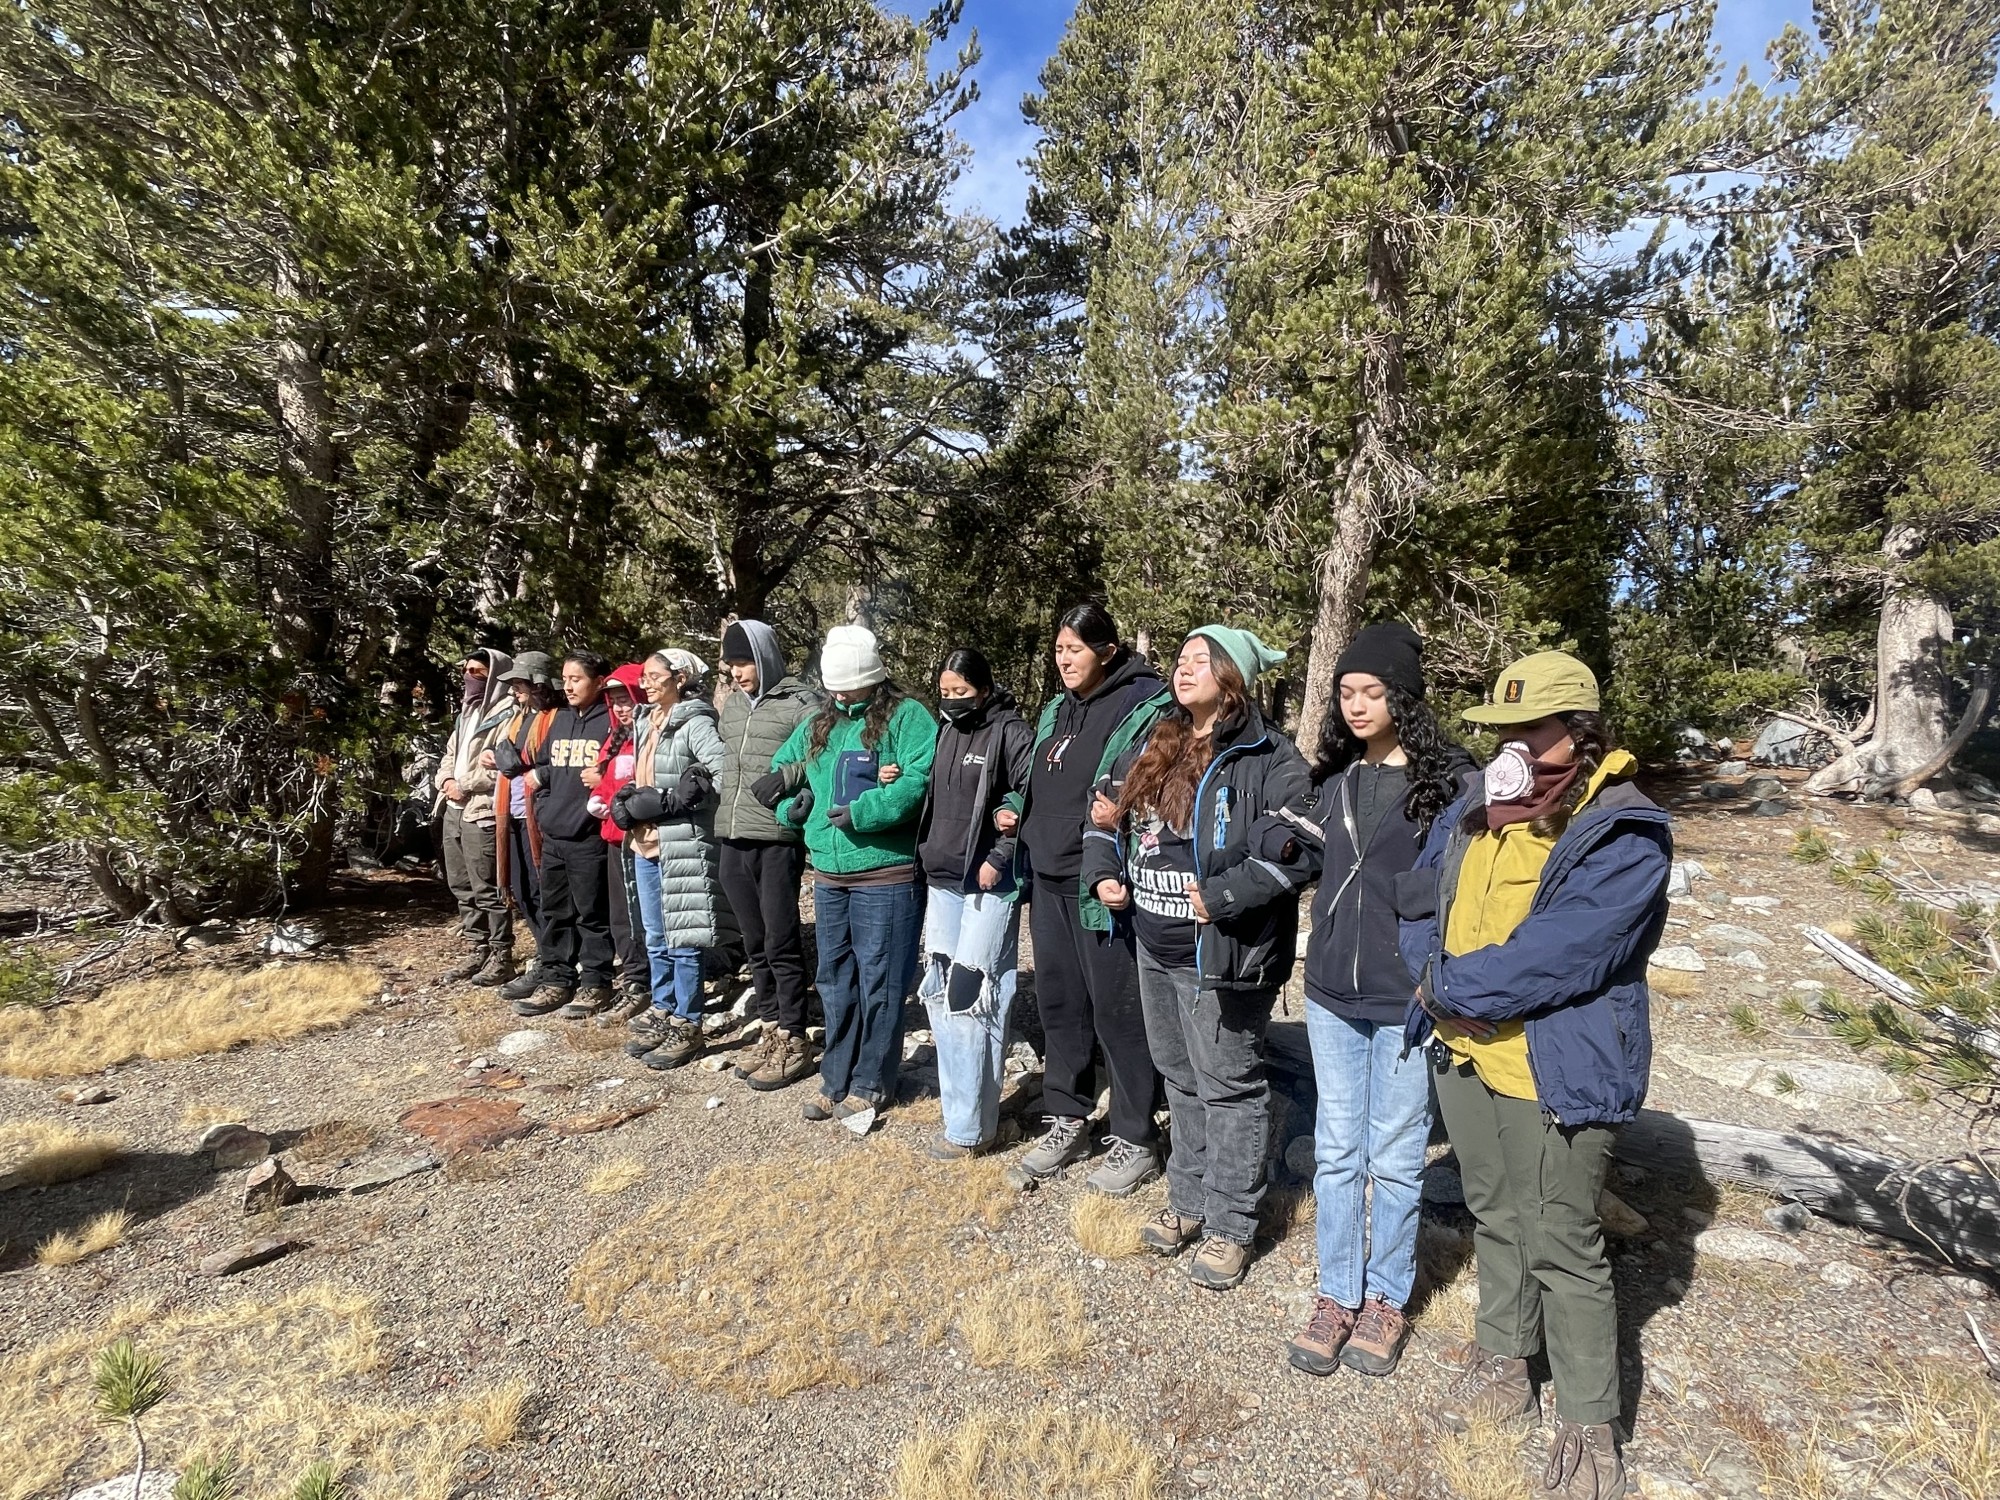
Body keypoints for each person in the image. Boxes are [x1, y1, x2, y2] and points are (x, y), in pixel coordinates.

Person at [1400, 651, 1670, 1500]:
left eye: (1531, 729)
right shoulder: (1478, 804)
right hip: (1466, 1049)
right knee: (1496, 1211)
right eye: (1502, 730)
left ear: (1580, 733)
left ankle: (1590, 1424)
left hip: (1551, 1065)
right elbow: (1419, 899)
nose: (1512, 745)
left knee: (1563, 1237)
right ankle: (1504, 1357)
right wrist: (1431, 979)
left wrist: (1452, 988)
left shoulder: (1620, 828)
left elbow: (1567, 950)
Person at [1083, 627, 1310, 1289]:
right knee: (1179, 1078)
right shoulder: (1157, 740)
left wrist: (1225, 894)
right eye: (1180, 660)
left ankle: (1231, 1225)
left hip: (1223, 954)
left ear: (1232, 676)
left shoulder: (1269, 756)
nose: (1183, 670)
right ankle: (1187, 1201)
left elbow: (1303, 845)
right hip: (1153, 944)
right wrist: (1104, 873)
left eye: (1200, 661)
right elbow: (1104, 815)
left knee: (1229, 1087)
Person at [1280, 623, 1473, 1377]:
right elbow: (1298, 854)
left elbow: (1462, 886)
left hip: (1406, 996)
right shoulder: (1333, 780)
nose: (1356, 705)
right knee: (1336, 1151)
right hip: (1331, 989)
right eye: (1346, 692)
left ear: (1404, 698)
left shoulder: (1448, 785)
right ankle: (1337, 1293)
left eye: (1372, 692)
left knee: (1394, 1155)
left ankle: (1386, 1299)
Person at [1013, 603, 1171, 1193]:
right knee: (1059, 1002)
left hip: (1102, 881)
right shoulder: (1058, 707)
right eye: (1058, 650)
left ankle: (1135, 1135)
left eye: (1074, 650)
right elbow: (1036, 777)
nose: (1063, 660)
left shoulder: (1144, 703)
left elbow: (1157, 779)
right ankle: (1067, 1117)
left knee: (1117, 1010)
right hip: (1048, 875)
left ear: (1106, 651)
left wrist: (1122, 819)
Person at [764, 625, 935, 1135]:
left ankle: (872, 1081)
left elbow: (919, 782)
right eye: (834, 688)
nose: (840, 696)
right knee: (835, 977)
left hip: (887, 872)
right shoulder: (820, 721)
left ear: (873, 678)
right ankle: (836, 1075)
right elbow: (783, 766)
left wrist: (864, 812)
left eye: (849, 688)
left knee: (881, 978)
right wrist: (792, 808)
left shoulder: (908, 717)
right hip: (828, 871)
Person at [911, 647, 1034, 1159]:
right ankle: (958, 1115)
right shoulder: (945, 731)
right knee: (939, 996)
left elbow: (1032, 794)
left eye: (961, 692)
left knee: (975, 996)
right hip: (942, 879)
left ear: (984, 689)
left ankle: (974, 1129)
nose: (951, 700)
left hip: (988, 883)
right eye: (944, 692)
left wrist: (1001, 854)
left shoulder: (1010, 731)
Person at [713, 620, 821, 1090]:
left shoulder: (801, 703)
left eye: (744, 663)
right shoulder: (734, 706)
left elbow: (823, 752)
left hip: (776, 837)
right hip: (732, 834)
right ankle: (771, 1026)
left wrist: (789, 776)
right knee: (754, 941)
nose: (737, 673)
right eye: (731, 665)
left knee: (780, 939)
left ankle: (794, 1035)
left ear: (765, 657)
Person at [616, 650, 730, 1069]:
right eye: (644, 676)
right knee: (655, 934)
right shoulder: (646, 720)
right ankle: (664, 1008)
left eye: (653, 676)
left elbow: (722, 773)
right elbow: (644, 774)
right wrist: (628, 799)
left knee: (684, 937)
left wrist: (681, 797)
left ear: (680, 678)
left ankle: (688, 1020)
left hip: (680, 844)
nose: (645, 683)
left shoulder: (695, 722)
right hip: (644, 843)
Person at [514, 651, 617, 1017]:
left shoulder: (612, 721)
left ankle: (596, 983)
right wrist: (545, 810)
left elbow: (620, 771)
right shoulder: (559, 719)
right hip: (555, 836)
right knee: (556, 912)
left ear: (599, 681)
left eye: (577, 679)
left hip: (589, 838)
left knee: (592, 914)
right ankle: (557, 979)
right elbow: (543, 769)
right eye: (566, 679)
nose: (569, 686)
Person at [436, 648, 517, 985]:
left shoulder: (508, 713)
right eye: (466, 671)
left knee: (488, 887)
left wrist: (464, 785)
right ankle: (477, 947)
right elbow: (450, 753)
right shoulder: (465, 712)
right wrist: (446, 781)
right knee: (460, 884)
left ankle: (501, 954)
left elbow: (501, 765)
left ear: (494, 675)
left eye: (478, 672)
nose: (470, 677)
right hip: (452, 808)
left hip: (482, 809)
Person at [491, 652, 561, 998]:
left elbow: (557, 763)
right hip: (515, 813)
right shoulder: (518, 718)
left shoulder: (557, 717)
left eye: (520, 684)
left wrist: (520, 762)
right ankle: (544, 956)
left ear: (538, 684)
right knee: (521, 890)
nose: (515, 691)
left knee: (542, 891)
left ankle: (554, 962)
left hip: (541, 816)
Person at [586, 663, 651, 1020]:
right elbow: (611, 781)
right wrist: (599, 795)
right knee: (621, 915)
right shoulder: (616, 738)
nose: (620, 707)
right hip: (614, 838)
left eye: (625, 699)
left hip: (642, 840)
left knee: (643, 915)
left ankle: (644, 982)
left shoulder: (649, 737)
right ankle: (634, 978)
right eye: (614, 701)